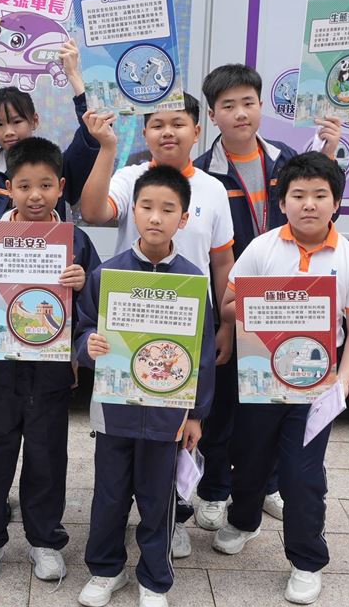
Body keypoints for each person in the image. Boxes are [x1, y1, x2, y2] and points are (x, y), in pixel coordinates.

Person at [213, 151, 349, 605]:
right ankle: (243, 520)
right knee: (248, 458)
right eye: (298, 195)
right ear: (282, 203)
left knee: (303, 474)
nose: (309, 204)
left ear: (336, 203)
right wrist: (270, 301)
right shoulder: (262, 248)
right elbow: (227, 306)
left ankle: (306, 560)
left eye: (320, 195)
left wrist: (344, 380)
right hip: (260, 374)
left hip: (316, 383)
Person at [79, 94, 234, 558]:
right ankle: (107, 560)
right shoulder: (129, 178)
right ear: (145, 132)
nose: (168, 132)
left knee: (170, 448)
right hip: (127, 332)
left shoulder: (213, 189)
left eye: (178, 123)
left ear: (197, 130)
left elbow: (221, 261)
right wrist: (107, 147)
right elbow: (93, 212)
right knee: (116, 469)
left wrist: (225, 323)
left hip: (185, 325)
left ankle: (168, 530)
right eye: (158, 124)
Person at [191, 64, 343, 530]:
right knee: (223, 406)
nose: (240, 113)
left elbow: (319, 215)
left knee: (280, 400)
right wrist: (223, 323)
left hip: (287, 308)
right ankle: (214, 489)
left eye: (248, 103)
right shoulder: (205, 175)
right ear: (212, 116)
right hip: (233, 305)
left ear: (261, 106)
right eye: (228, 106)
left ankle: (268, 486)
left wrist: (328, 155)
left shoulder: (285, 160)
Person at [0, 137, 102, 583]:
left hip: (51, 373)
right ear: (8, 188)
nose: (35, 195)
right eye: (25, 185)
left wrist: (84, 282)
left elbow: (98, 307)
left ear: (61, 188)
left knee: (47, 457)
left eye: (46, 185)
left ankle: (45, 540)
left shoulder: (76, 242)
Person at [74, 165, 216, 607]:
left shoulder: (192, 281)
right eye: (147, 207)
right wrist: (88, 345)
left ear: (184, 219)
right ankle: (106, 569)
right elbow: (82, 328)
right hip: (114, 411)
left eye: (168, 209)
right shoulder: (108, 274)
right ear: (133, 211)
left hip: (167, 416)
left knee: (158, 499)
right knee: (109, 494)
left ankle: (154, 579)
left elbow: (203, 354)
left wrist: (196, 415)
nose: (156, 217)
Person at [0, 15, 102, 225]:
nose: (9, 131)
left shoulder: (59, 167)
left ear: (34, 120)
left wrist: (73, 74)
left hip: (51, 248)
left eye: (17, 121)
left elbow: (94, 132)